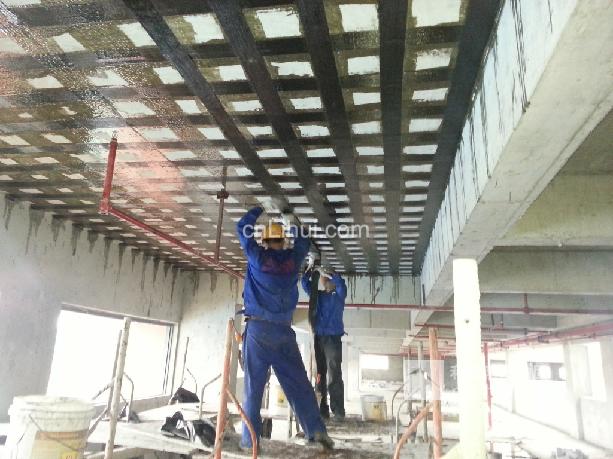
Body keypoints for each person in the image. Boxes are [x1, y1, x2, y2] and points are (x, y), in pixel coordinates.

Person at [237, 206, 334, 451]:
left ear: (265, 241)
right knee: (299, 385)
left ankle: (250, 441)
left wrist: (258, 209)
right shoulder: (293, 261)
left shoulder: (257, 258)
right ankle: (316, 431)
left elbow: (241, 228)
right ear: (283, 241)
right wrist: (290, 221)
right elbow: (303, 242)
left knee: (253, 390)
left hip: (258, 331)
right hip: (283, 332)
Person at [301, 268, 347, 420]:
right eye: (323, 278)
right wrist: (310, 271)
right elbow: (305, 284)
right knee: (319, 374)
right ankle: (322, 409)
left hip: (333, 339)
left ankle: (338, 411)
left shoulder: (338, 295)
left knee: (334, 373)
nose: (324, 280)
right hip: (319, 337)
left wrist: (332, 274)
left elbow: (341, 285)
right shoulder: (318, 296)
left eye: (326, 279)